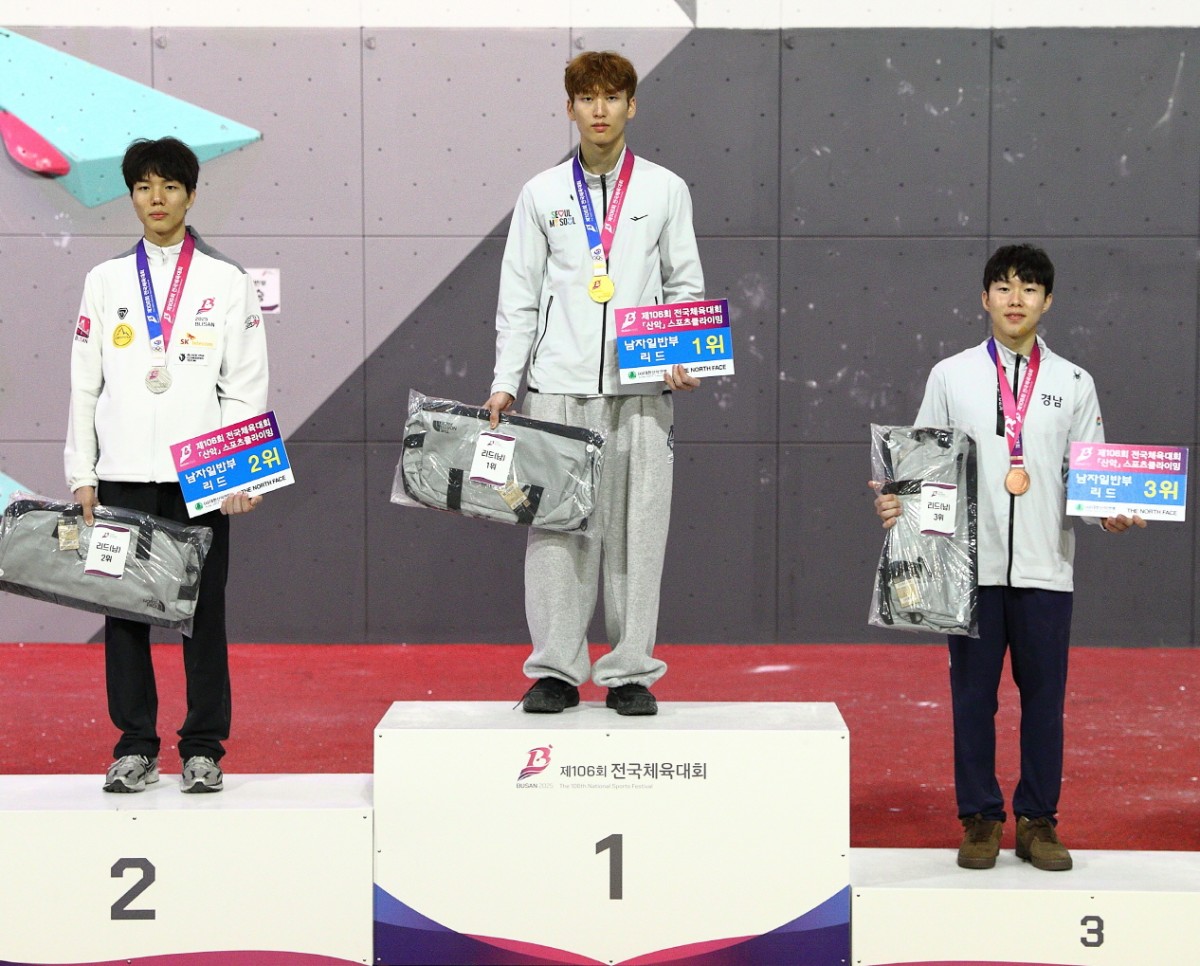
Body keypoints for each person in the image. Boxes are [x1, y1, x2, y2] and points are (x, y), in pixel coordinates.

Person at [871, 244, 1144, 871]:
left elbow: (1086, 474)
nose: (1015, 299)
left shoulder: (1074, 382)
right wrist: (897, 502)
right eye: (1003, 287)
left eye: (1028, 289)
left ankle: (1039, 820)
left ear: (1048, 302)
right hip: (970, 569)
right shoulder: (951, 375)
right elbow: (925, 462)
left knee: (1045, 703)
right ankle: (980, 818)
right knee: (973, 699)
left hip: (1047, 568)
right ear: (984, 299)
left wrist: (1108, 511)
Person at [484, 51, 704, 716]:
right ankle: (556, 669)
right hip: (557, 388)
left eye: (612, 97)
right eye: (587, 98)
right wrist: (506, 382)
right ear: (570, 108)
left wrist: (683, 355)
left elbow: (684, 283)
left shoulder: (665, 189)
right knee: (557, 531)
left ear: (632, 105)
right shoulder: (541, 194)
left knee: (639, 532)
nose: (600, 109)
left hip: (641, 392)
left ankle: (630, 671)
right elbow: (518, 297)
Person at [65, 137, 269, 793]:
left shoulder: (226, 280)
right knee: (123, 611)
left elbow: (245, 384)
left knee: (203, 614)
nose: (156, 199)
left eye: (170, 186)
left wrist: (241, 474)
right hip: (122, 472)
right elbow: (85, 385)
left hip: (200, 475)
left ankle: (203, 748)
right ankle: (135, 746)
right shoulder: (105, 280)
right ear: (131, 196)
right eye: (144, 187)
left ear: (191, 195)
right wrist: (83, 473)